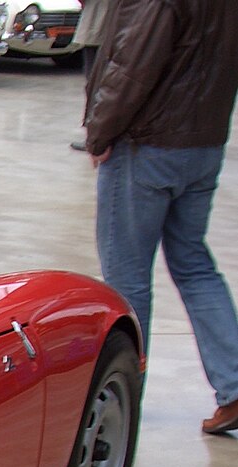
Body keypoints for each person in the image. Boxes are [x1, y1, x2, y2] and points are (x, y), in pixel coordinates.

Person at [85, 0, 238, 435]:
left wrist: (99, 131)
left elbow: (132, 65)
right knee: (194, 264)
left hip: (148, 146)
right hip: (203, 143)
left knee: (126, 281)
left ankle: (123, 399)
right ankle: (234, 384)